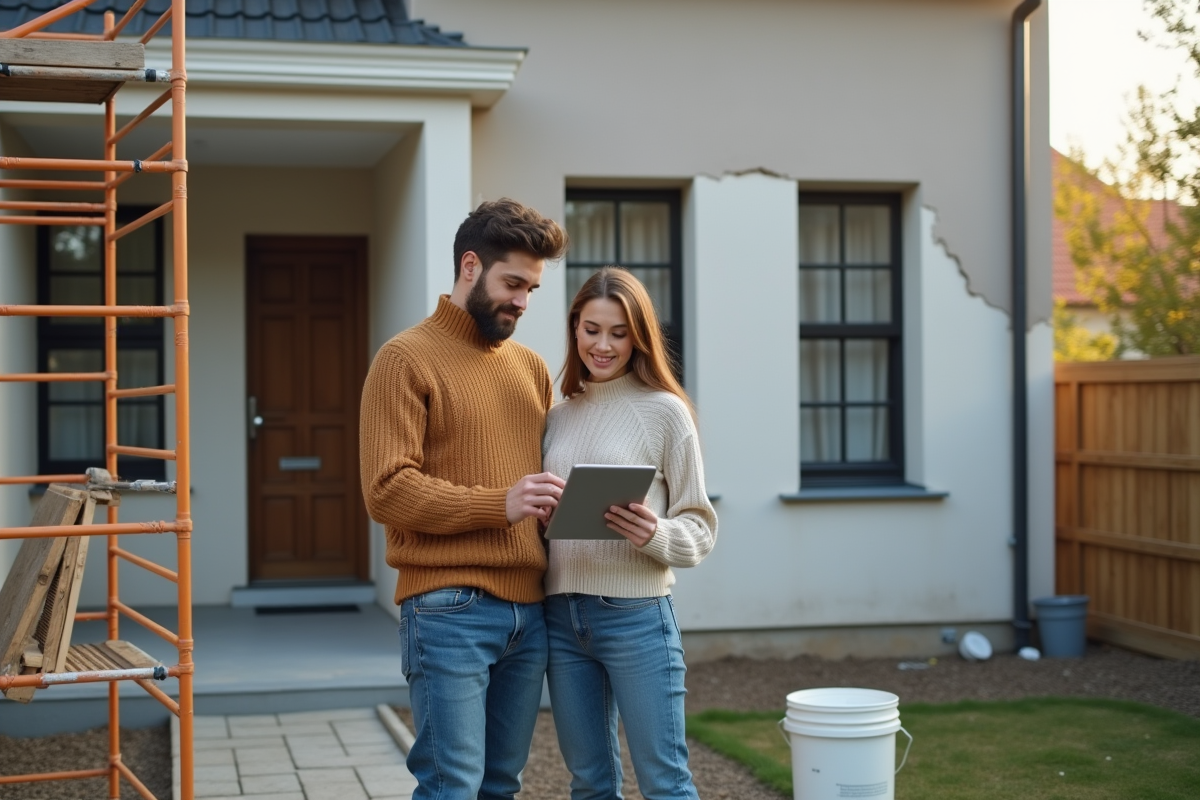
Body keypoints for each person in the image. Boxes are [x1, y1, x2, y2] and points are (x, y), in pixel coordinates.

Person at [359, 198, 569, 800]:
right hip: (447, 607)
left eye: (531, 289)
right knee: (451, 786)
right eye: (512, 284)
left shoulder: (530, 367)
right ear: (470, 267)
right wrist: (499, 504)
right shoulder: (404, 359)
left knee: (501, 785)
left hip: (528, 613)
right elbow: (387, 490)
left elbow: (531, 484)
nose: (523, 303)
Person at [542, 266, 718, 800]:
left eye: (619, 333)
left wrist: (654, 533)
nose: (603, 345)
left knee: (664, 783)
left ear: (638, 336)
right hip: (560, 617)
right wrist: (548, 521)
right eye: (592, 329)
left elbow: (700, 528)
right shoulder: (558, 415)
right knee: (590, 783)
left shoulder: (666, 412)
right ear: (575, 328)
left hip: (637, 618)